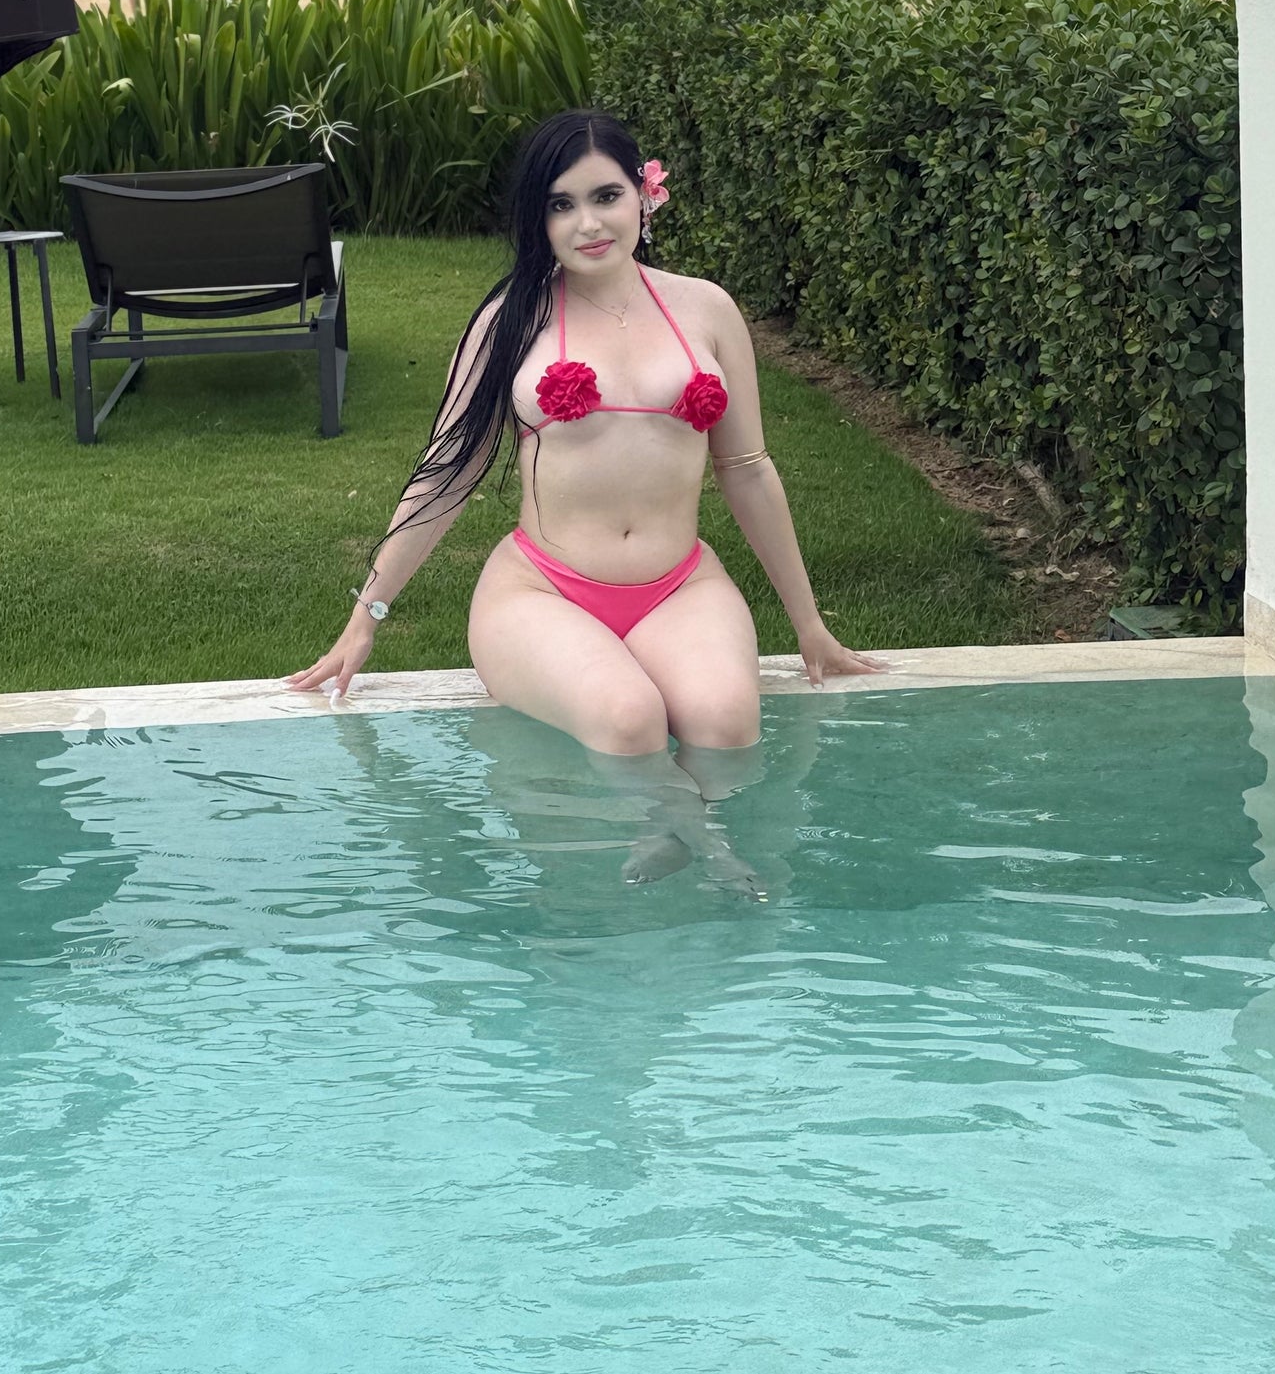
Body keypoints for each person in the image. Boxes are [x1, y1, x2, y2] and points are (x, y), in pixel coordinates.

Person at [289, 106, 883, 885]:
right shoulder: (510, 320)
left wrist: (809, 624)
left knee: (728, 722)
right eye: (561, 204)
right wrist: (366, 614)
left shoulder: (706, 309)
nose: (588, 223)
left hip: (680, 585)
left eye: (606, 196)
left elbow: (747, 467)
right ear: (538, 220)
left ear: (644, 195)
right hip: (542, 592)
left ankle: (674, 837)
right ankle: (705, 845)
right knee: (629, 719)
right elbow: (447, 473)